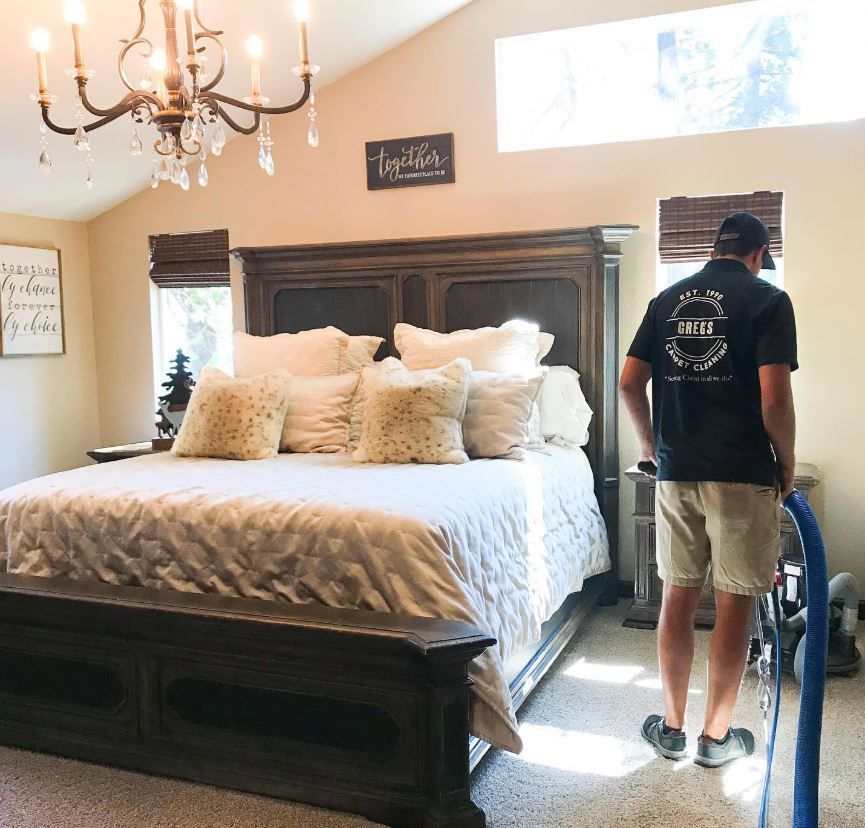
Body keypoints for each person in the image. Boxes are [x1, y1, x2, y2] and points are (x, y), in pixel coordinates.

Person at [619, 212, 797, 767]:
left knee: (677, 594)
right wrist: (787, 462)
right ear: (758, 253)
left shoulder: (666, 301)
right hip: (742, 471)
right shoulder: (769, 300)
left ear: (714, 249)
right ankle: (714, 739)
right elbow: (775, 399)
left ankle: (671, 729)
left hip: (677, 470)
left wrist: (650, 448)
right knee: (734, 602)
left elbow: (629, 382)